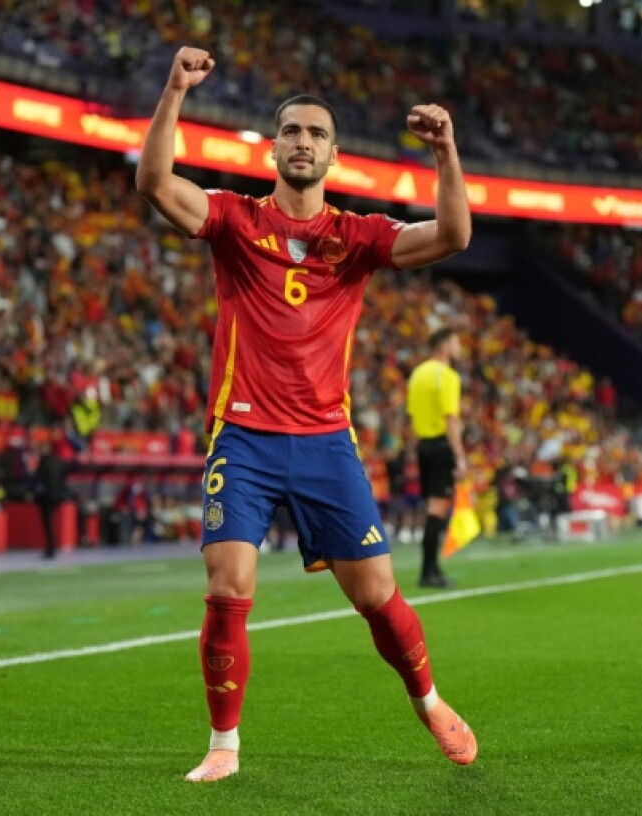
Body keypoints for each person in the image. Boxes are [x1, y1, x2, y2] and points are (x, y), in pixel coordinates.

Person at [136, 47, 476, 782]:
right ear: (275, 145)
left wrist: (446, 152)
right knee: (229, 582)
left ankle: (429, 699)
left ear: (331, 153)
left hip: (325, 442)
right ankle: (223, 746)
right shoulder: (234, 221)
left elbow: (452, 237)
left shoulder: (354, 240)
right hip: (246, 438)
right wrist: (174, 91)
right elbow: (155, 182)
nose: (302, 142)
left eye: (316, 134)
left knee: (377, 595)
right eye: (291, 131)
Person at [406, 327, 466, 588]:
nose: (459, 347)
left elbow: (411, 417)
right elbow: (450, 419)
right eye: (455, 341)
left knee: (430, 507)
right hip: (442, 446)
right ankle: (429, 571)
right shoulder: (447, 375)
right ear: (443, 345)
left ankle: (428, 569)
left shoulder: (417, 373)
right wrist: (460, 456)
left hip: (423, 445)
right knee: (437, 508)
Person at [32, 438, 68, 559]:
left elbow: (39, 478)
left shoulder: (44, 461)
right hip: (57, 495)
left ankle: (51, 547)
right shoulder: (58, 461)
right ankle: (52, 546)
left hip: (46, 496)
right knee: (51, 521)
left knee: (47, 522)